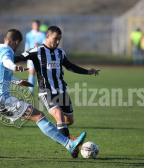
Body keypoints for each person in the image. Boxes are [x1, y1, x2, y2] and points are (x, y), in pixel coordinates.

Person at [0, 29, 87, 157]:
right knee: (39, 116)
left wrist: (17, 81)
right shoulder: (6, 52)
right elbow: (6, 61)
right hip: (1, 100)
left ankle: (67, 141)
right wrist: (15, 67)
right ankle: (69, 144)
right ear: (16, 42)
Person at [14, 26, 100, 158]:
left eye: (59, 39)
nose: (58, 42)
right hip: (45, 91)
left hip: (61, 91)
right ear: (47, 37)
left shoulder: (60, 53)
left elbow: (70, 66)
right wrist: (6, 61)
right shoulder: (37, 51)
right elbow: (19, 56)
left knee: (69, 121)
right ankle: (72, 148)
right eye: (56, 39)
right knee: (58, 114)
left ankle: (58, 131)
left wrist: (88, 71)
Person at [25, 20, 46, 93]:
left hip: (40, 56)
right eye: (35, 25)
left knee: (41, 73)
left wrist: (39, 45)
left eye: (37, 25)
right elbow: (27, 45)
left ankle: (43, 89)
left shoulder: (43, 34)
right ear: (32, 26)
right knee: (31, 72)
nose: (36, 27)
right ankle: (31, 90)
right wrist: (26, 54)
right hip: (31, 55)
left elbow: (45, 45)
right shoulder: (29, 34)